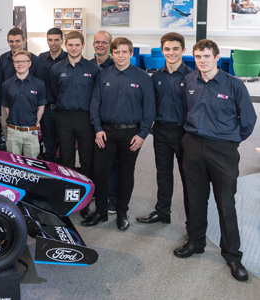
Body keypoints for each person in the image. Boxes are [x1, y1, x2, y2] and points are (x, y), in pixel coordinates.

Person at [174, 39, 256, 282]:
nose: (202, 61)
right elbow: (184, 110)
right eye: (198, 56)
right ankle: (196, 242)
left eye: (207, 56)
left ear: (217, 57)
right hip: (194, 146)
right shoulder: (189, 81)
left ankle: (232, 255)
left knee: (225, 203)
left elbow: (249, 120)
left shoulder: (234, 85)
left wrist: (230, 141)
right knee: (195, 199)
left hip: (223, 151)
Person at [84, 37, 155, 231]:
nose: (121, 55)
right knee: (99, 172)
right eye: (117, 52)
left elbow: (149, 109)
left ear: (131, 53)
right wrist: (97, 129)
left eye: (125, 52)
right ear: (111, 54)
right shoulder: (103, 75)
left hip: (131, 134)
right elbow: (95, 104)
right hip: (105, 132)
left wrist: (142, 134)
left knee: (126, 173)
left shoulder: (142, 77)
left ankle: (122, 212)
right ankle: (100, 211)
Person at [136, 32, 193, 225]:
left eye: (175, 49)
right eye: (167, 49)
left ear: (183, 50)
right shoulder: (155, 77)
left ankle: (192, 221)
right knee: (163, 174)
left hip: (185, 134)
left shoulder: (192, 77)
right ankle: (162, 212)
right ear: (162, 51)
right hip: (160, 131)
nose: (171, 53)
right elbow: (149, 106)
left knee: (188, 178)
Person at [48, 31, 99, 183]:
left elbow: (97, 97)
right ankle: (67, 191)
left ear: (83, 45)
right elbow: (53, 93)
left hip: (85, 118)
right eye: (70, 45)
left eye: (77, 45)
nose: (74, 48)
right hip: (63, 118)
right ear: (65, 45)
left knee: (86, 158)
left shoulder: (94, 69)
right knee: (65, 157)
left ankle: (86, 193)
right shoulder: (56, 69)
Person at [85, 29, 117, 218]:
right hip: (91, 121)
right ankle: (95, 193)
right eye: (97, 42)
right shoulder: (87, 65)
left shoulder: (115, 66)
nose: (100, 45)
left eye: (104, 42)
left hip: (109, 122)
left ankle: (112, 197)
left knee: (112, 164)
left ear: (110, 46)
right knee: (92, 161)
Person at [0, 28, 45, 146]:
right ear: (8, 41)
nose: (14, 44)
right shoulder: (3, 58)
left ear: (24, 40)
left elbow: (39, 83)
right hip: (8, 103)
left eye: (17, 41)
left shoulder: (34, 59)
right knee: (10, 138)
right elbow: (0, 83)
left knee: (29, 142)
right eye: (11, 41)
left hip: (29, 104)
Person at [1, 50, 46, 158]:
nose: (20, 64)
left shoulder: (39, 84)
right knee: (13, 165)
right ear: (14, 64)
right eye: (17, 61)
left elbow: (41, 106)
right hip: (13, 132)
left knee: (31, 165)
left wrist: (36, 122)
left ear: (29, 63)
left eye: (23, 61)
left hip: (31, 132)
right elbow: (6, 107)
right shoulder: (6, 85)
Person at [39, 27, 68, 163]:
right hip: (47, 109)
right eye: (50, 40)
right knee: (49, 147)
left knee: (65, 146)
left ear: (62, 40)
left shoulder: (69, 58)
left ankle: (65, 176)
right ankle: (51, 177)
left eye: (56, 40)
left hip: (64, 110)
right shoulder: (41, 58)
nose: (53, 43)